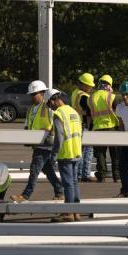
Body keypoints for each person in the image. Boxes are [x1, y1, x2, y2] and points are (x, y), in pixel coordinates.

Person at [10, 80, 64, 203]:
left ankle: (25, 195)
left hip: (45, 145)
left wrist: (50, 133)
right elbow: (27, 125)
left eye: (34, 94)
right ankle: (59, 191)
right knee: (48, 170)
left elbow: (56, 123)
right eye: (31, 94)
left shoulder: (49, 107)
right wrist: (27, 137)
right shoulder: (31, 110)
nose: (32, 97)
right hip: (37, 144)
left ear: (42, 93)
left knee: (34, 169)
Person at [46, 89, 83, 222]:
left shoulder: (59, 114)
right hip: (77, 151)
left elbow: (59, 138)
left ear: (52, 101)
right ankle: (76, 211)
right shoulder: (73, 112)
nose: (50, 108)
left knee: (68, 184)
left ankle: (68, 213)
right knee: (74, 182)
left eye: (49, 105)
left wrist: (53, 155)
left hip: (66, 153)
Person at [90, 74, 121, 182]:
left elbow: (91, 114)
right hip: (112, 127)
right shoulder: (111, 96)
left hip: (97, 128)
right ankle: (117, 176)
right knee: (115, 154)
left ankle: (102, 176)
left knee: (100, 154)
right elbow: (119, 112)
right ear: (110, 84)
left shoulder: (92, 96)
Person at [72, 73, 98, 182]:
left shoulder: (75, 93)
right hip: (84, 125)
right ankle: (85, 174)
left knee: (80, 150)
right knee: (88, 150)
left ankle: (78, 174)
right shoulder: (84, 96)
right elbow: (89, 111)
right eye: (89, 85)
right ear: (84, 85)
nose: (91, 87)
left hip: (77, 124)